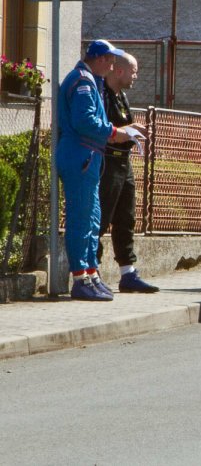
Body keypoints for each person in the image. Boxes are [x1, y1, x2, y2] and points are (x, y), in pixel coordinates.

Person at [56, 40, 138, 301]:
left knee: (92, 217)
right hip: (80, 153)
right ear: (101, 59)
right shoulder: (82, 81)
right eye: (111, 60)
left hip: (88, 154)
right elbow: (85, 121)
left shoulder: (91, 81)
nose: (113, 65)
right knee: (81, 218)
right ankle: (80, 278)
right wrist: (115, 133)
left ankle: (91, 274)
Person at [99, 52, 158, 293]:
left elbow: (122, 127)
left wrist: (134, 132)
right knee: (101, 219)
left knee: (126, 219)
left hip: (124, 163)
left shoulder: (121, 95)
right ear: (120, 71)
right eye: (134, 71)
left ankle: (128, 274)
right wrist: (128, 130)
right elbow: (100, 128)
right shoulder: (101, 94)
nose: (136, 75)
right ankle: (93, 273)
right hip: (107, 164)